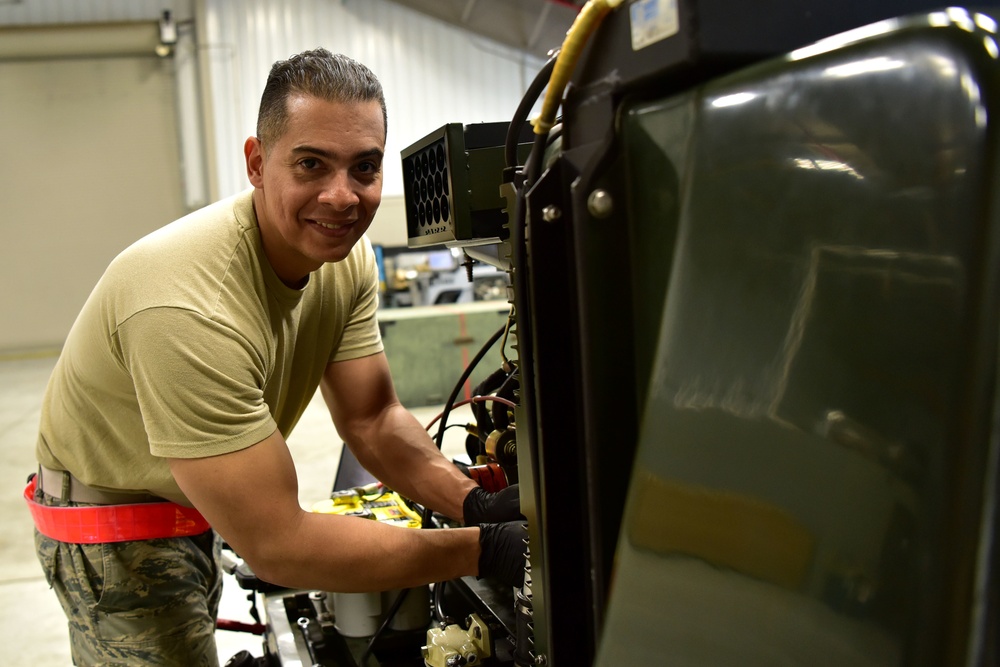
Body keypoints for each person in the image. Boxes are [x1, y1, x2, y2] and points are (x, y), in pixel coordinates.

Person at [28, 48, 524, 666]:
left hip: (191, 499)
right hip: (119, 529)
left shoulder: (343, 264)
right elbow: (278, 544)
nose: (342, 198)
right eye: (312, 164)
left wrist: (471, 502)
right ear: (258, 164)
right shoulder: (186, 306)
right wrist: (487, 549)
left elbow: (372, 417)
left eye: (364, 168)